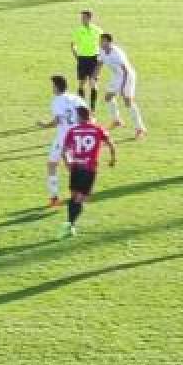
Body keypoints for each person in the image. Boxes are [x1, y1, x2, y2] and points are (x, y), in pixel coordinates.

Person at [59, 106, 117, 238]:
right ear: (89, 116)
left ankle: (70, 224)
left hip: (76, 167)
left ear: (79, 117)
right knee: (81, 198)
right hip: (89, 169)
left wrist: (68, 163)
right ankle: (70, 224)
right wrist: (113, 158)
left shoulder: (72, 131)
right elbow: (111, 144)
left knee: (74, 197)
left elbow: (64, 151)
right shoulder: (98, 129)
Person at [36, 75, 87, 207]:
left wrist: (45, 125)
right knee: (69, 162)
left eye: (53, 86)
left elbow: (57, 121)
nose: (52, 88)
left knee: (52, 164)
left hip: (64, 137)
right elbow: (87, 115)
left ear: (57, 87)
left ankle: (54, 197)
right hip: (78, 136)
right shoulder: (77, 98)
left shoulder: (57, 100)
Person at [99, 33, 147, 139]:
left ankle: (140, 128)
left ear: (109, 42)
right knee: (108, 97)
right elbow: (100, 63)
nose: (101, 43)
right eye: (100, 41)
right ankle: (116, 120)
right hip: (116, 76)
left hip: (127, 76)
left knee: (127, 101)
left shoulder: (117, 53)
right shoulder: (101, 50)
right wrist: (94, 76)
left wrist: (122, 88)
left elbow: (125, 70)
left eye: (103, 41)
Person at [71, 9, 104, 111]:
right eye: (81, 18)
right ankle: (82, 108)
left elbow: (102, 45)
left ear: (90, 18)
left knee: (93, 83)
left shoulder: (98, 30)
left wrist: (100, 57)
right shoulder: (78, 30)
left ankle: (92, 109)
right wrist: (77, 57)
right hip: (82, 59)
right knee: (81, 83)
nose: (82, 19)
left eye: (84, 17)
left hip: (94, 59)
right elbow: (73, 45)